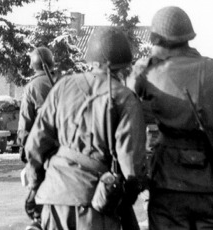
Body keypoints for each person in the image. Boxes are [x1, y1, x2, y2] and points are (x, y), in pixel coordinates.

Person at [131, 5, 213, 230]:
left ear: (156, 39)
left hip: (168, 187)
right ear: (188, 36)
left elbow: (126, 120)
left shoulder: (147, 75)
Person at [21, 26, 145, 230]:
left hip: (53, 199)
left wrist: (36, 185)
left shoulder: (63, 86)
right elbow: (131, 165)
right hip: (94, 206)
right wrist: (123, 198)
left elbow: (36, 143)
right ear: (123, 66)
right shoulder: (124, 97)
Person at [19, 46, 59, 229]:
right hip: (66, 150)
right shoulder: (61, 82)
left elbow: (25, 127)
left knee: (32, 204)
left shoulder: (31, 88)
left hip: (41, 150)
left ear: (33, 65)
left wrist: (23, 150)